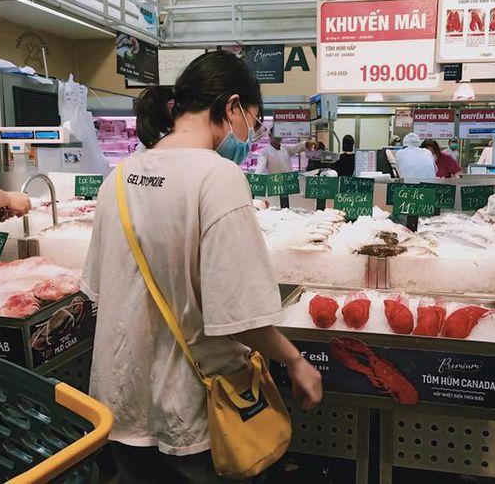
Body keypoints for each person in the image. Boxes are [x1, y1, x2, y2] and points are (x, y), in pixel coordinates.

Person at [81, 51, 322, 484]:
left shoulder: (119, 176)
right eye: (253, 121)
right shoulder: (218, 177)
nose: (250, 135)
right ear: (232, 107)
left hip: (119, 407)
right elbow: (241, 316)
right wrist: (296, 360)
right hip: (191, 411)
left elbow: (100, 288)